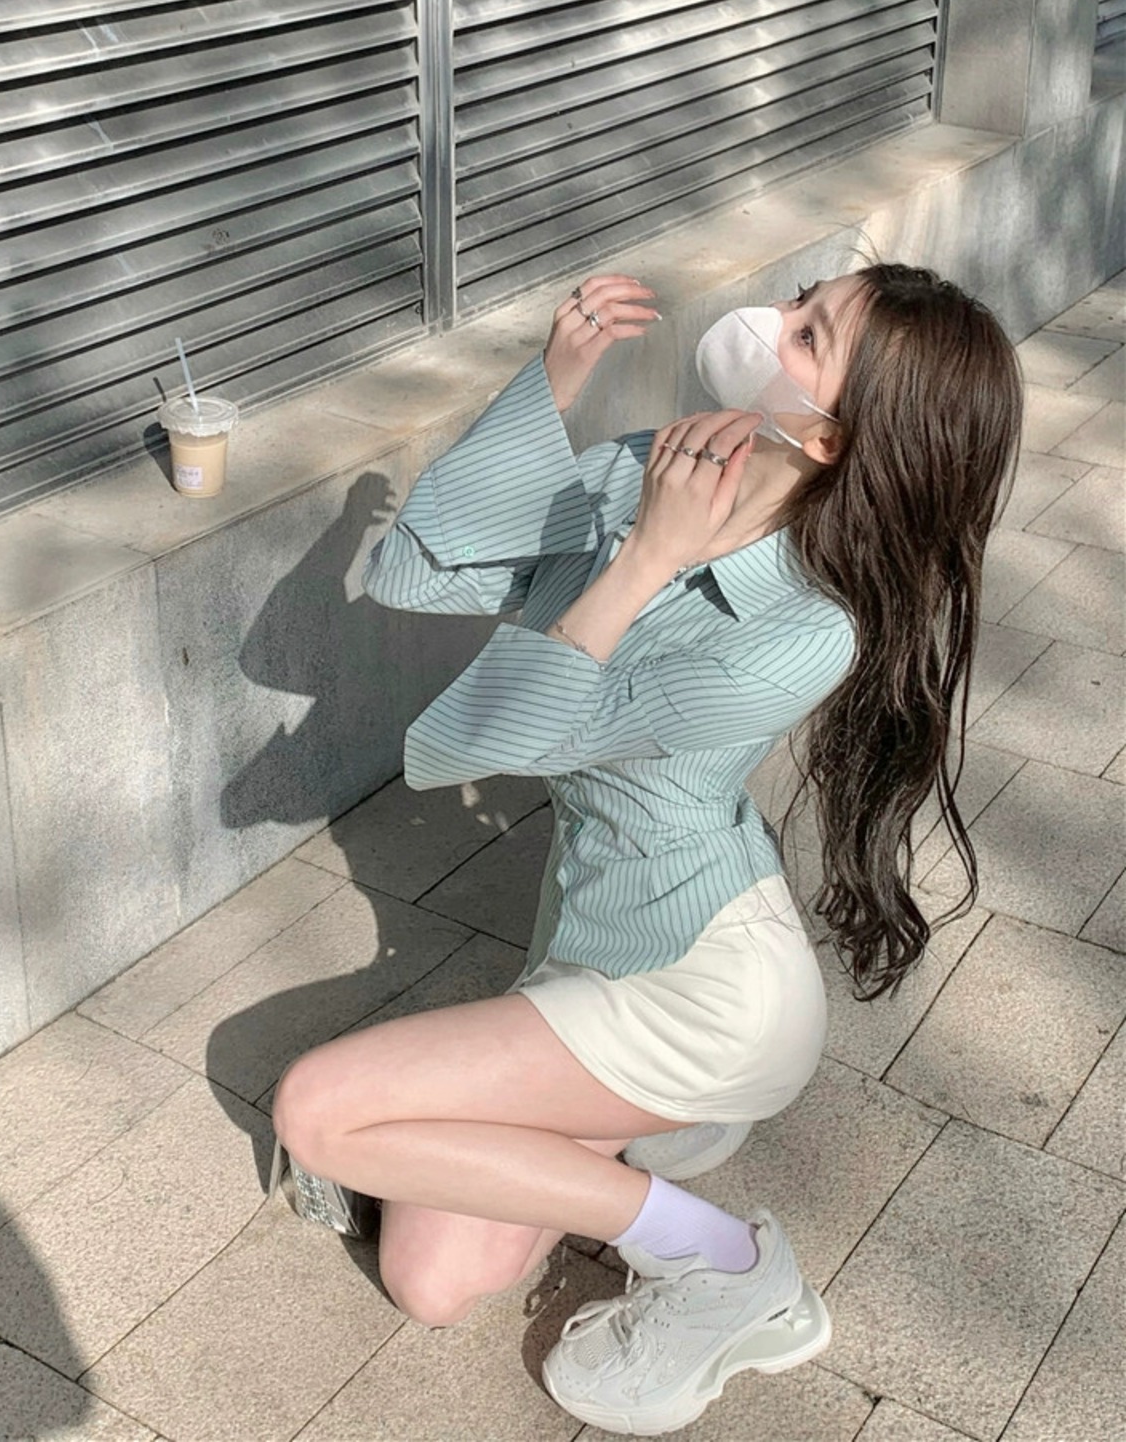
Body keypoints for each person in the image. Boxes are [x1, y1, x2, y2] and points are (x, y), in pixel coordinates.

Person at [271, 263, 1023, 1435]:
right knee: (431, 1279)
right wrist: (552, 379)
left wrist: (641, 559)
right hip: (589, 935)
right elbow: (417, 568)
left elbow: (505, 736)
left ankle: (724, 1261)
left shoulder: (805, 631)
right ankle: (652, 1122)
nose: (765, 322)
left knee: (316, 1112)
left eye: (805, 333)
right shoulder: (655, 461)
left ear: (828, 437)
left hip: (703, 989)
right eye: (800, 298)